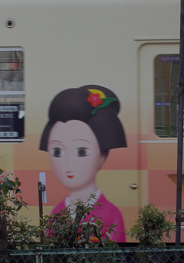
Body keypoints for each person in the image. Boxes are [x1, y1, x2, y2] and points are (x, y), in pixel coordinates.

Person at [39, 85, 127, 242]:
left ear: (102, 156)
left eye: (81, 151)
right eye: (57, 152)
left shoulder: (112, 215)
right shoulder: (56, 213)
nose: (68, 164)